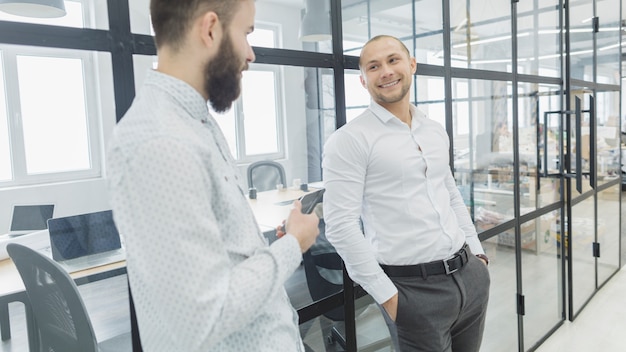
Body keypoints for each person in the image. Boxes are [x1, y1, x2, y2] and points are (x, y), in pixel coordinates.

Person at [106, 0, 320, 351]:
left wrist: (264, 249)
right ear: (210, 29)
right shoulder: (160, 141)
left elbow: (218, 260)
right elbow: (203, 317)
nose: (250, 54)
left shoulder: (193, 122)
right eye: (246, 34)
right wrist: (292, 244)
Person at [322, 35, 491, 352]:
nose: (385, 71)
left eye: (393, 60)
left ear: (411, 64)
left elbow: (450, 195)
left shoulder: (434, 129)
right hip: (412, 292)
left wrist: (477, 256)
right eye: (374, 66)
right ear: (363, 79)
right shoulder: (350, 140)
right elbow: (340, 225)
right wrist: (389, 297)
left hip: (469, 275)